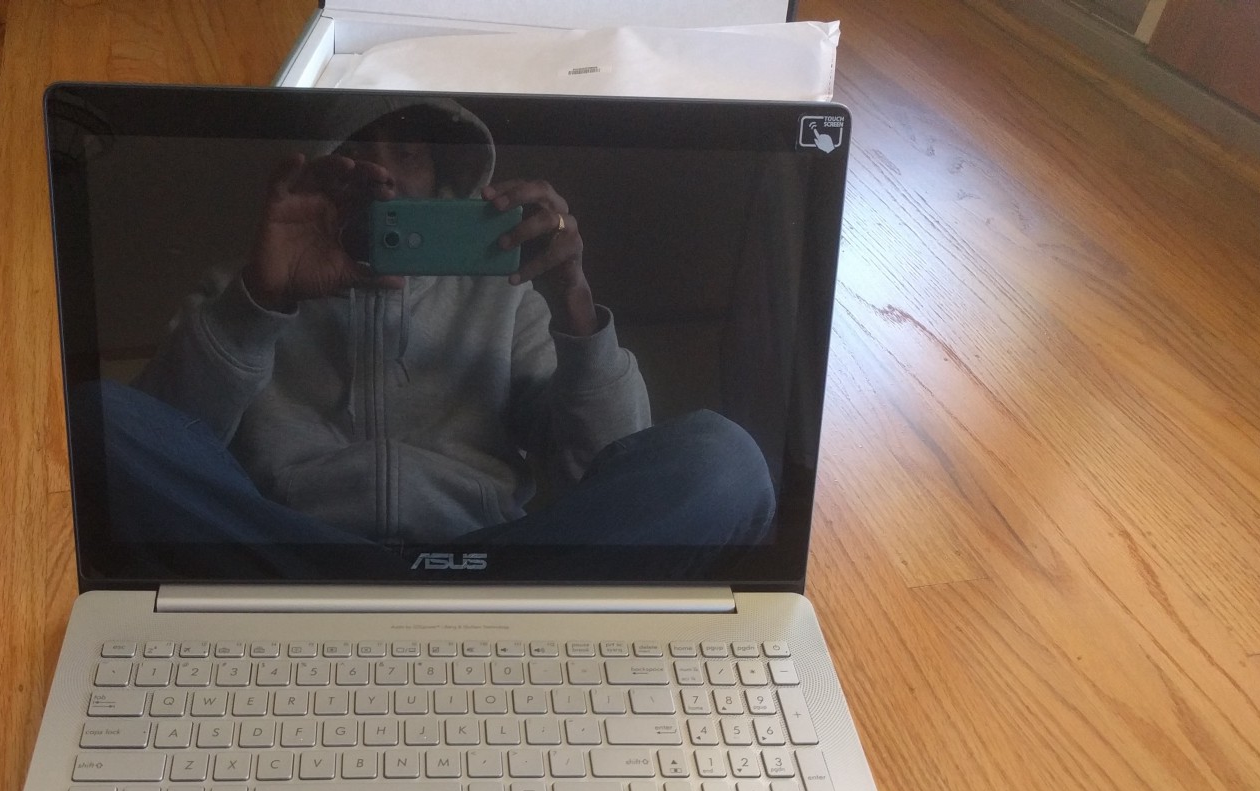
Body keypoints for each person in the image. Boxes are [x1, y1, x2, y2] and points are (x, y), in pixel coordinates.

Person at [102, 96, 775, 573]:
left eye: (409, 152)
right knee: (96, 420)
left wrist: (572, 302)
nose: (386, 175)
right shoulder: (245, 286)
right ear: (323, 170)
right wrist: (259, 302)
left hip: (487, 571)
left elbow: (602, 464)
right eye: (356, 156)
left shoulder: (505, 297)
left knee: (724, 459)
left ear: (444, 177)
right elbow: (158, 443)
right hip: (294, 565)